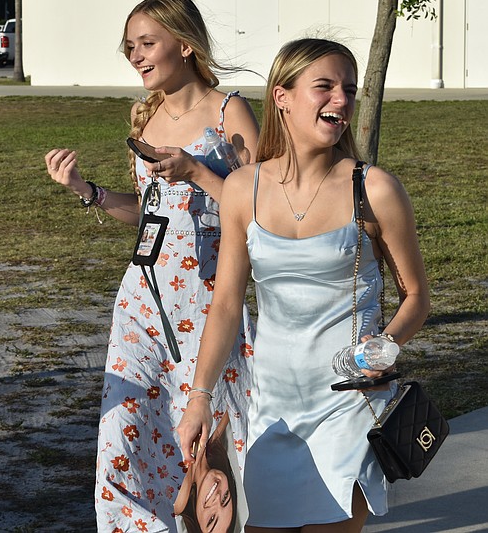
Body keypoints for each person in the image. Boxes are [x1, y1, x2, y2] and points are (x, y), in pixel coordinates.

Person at [177, 38, 430, 532]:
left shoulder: (373, 188)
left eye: (349, 90)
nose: (341, 100)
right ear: (281, 97)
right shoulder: (241, 187)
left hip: (349, 402)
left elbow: (416, 297)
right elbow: (227, 304)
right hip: (274, 407)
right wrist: (199, 397)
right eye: (325, 87)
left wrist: (385, 347)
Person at [44, 0, 258, 532]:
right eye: (129, 47)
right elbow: (147, 215)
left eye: (147, 44)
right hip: (141, 298)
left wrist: (200, 174)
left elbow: (263, 206)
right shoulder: (147, 115)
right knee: (127, 432)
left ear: (184, 45)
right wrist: (85, 189)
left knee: (211, 435)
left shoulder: (230, 110)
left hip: (208, 297)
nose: (136, 56)